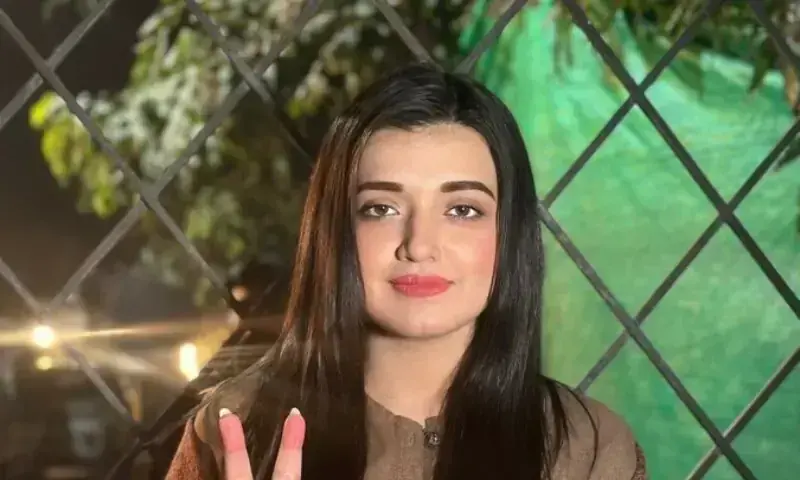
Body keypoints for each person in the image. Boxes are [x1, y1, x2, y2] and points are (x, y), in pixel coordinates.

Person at [165, 62, 647, 480]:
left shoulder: (588, 449)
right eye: (381, 208)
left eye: (462, 210)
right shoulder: (237, 427)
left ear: (510, 233)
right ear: (335, 229)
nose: (419, 245)